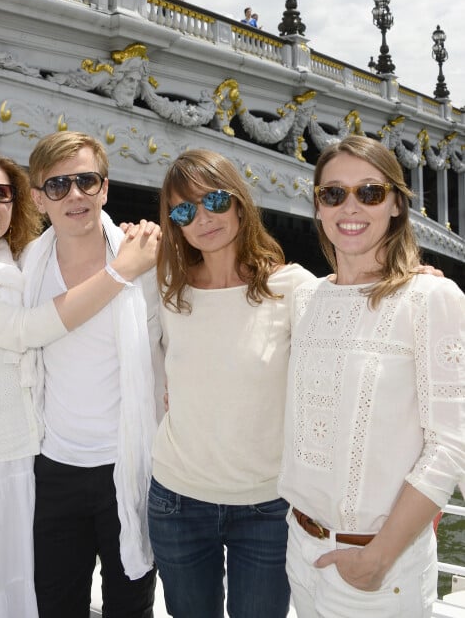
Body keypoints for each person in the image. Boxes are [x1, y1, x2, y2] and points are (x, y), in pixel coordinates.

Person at [0, 149, 159, 618]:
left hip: (31, 460)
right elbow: (25, 331)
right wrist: (121, 271)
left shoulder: (20, 265)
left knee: (32, 593)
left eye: (0, 192)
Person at [278, 135, 465, 618]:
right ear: (318, 207)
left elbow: (450, 444)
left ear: (397, 205)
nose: (350, 206)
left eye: (370, 192)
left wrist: (378, 559)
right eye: (333, 193)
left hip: (378, 568)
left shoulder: (431, 299)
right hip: (301, 548)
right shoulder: (305, 300)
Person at [147, 148, 315, 618]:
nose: (203, 218)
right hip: (177, 501)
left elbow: (359, 329)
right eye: (184, 210)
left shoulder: (294, 288)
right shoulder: (166, 289)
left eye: (215, 201)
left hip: (266, 508)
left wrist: (419, 281)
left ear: (240, 202)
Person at [26, 131, 163, 618]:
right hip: (52, 469)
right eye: (58, 185)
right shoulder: (25, 268)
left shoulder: (147, 258)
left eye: (86, 181)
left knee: (131, 607)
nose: (75, 195)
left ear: (105, 188)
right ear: (39, 198)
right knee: (55, 606)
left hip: (128, 466)